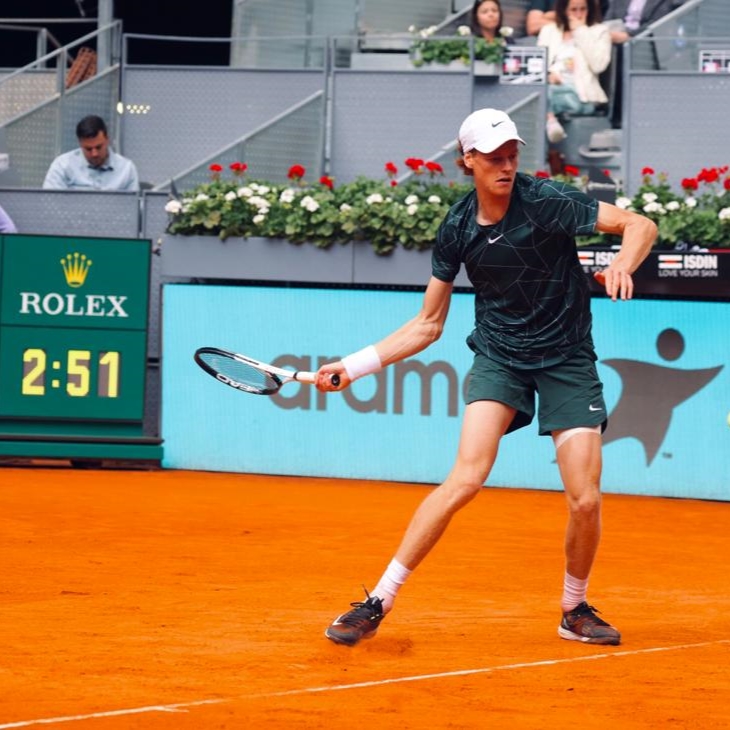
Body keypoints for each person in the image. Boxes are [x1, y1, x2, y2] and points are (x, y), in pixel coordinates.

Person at [316, 107, 657, 648]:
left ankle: (574, 608)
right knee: (465, 479)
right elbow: (428, 325)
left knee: (586, 499)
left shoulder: (546, 201)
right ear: (467, 160)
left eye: (512, 154)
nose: (505, 164)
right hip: (501, 357)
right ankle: (377, 600)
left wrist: (623, 262)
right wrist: (355, 367)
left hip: (567, 356)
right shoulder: (456, 229)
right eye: (493, 156)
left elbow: (641, 224)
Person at [537, 0, 612, 143]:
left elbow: (598, 65)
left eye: (583, 9)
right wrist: (548, 75)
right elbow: (538, 64)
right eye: (573, 9)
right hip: (552, 86)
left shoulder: (600, 31)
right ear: (564, 10)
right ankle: (551, 120)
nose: (578, 14)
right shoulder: (549, 30)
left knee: (544, 96)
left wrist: (580, 31)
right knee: (540, 93)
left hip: (582, 95)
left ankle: (550, 120)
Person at [43, 115, 139, 192]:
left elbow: (134, 211)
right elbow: (50, 206)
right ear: (80, 143)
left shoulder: (126, 169)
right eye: (88, 149)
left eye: (99, 147)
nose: (94, 154)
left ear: (107, 140)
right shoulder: (62, 166)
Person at [603, 0, 686, 43]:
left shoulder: (663, 1)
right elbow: (609, 17)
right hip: (614, 37)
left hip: (642, 42)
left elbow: (656, 23)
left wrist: (628, 35)